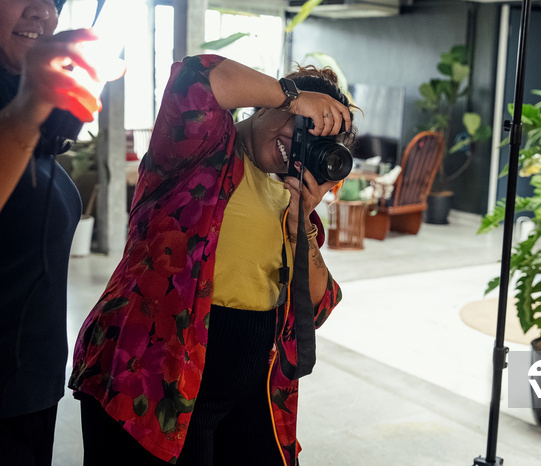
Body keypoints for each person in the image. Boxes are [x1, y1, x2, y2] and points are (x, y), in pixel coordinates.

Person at [70, 53, 356, 466]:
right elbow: (196, 76)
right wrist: (295, 96)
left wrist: (302, 222)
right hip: (151, 380)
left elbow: (318, 305)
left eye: (315, 138)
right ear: (269, 105)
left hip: (248, 395)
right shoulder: (202, 148)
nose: (298, 140)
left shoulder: (291, 195)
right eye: (301, 123)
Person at [0, 1, 103, 465]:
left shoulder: (24, 99)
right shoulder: (21, 109)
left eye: (56, 0)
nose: (42, 10)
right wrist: (27, 111)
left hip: (31, 391)